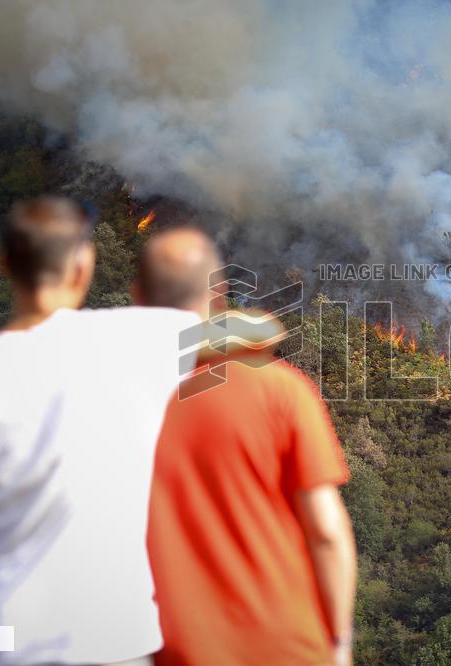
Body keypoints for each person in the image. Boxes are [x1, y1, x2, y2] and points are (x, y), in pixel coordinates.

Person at [0, 198, 204, 665]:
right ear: (83, 267)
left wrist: (10, 498)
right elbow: (237, 327)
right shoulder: (140, 343)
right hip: (115, 639)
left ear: (4, 263)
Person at [138, 227, 357, 666]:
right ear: (219, 293)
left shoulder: (116, 397)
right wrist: (339, 642)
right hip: (288, 648)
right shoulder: (281, 388)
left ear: (137, 296)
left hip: (174, 648)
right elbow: (327, 532)